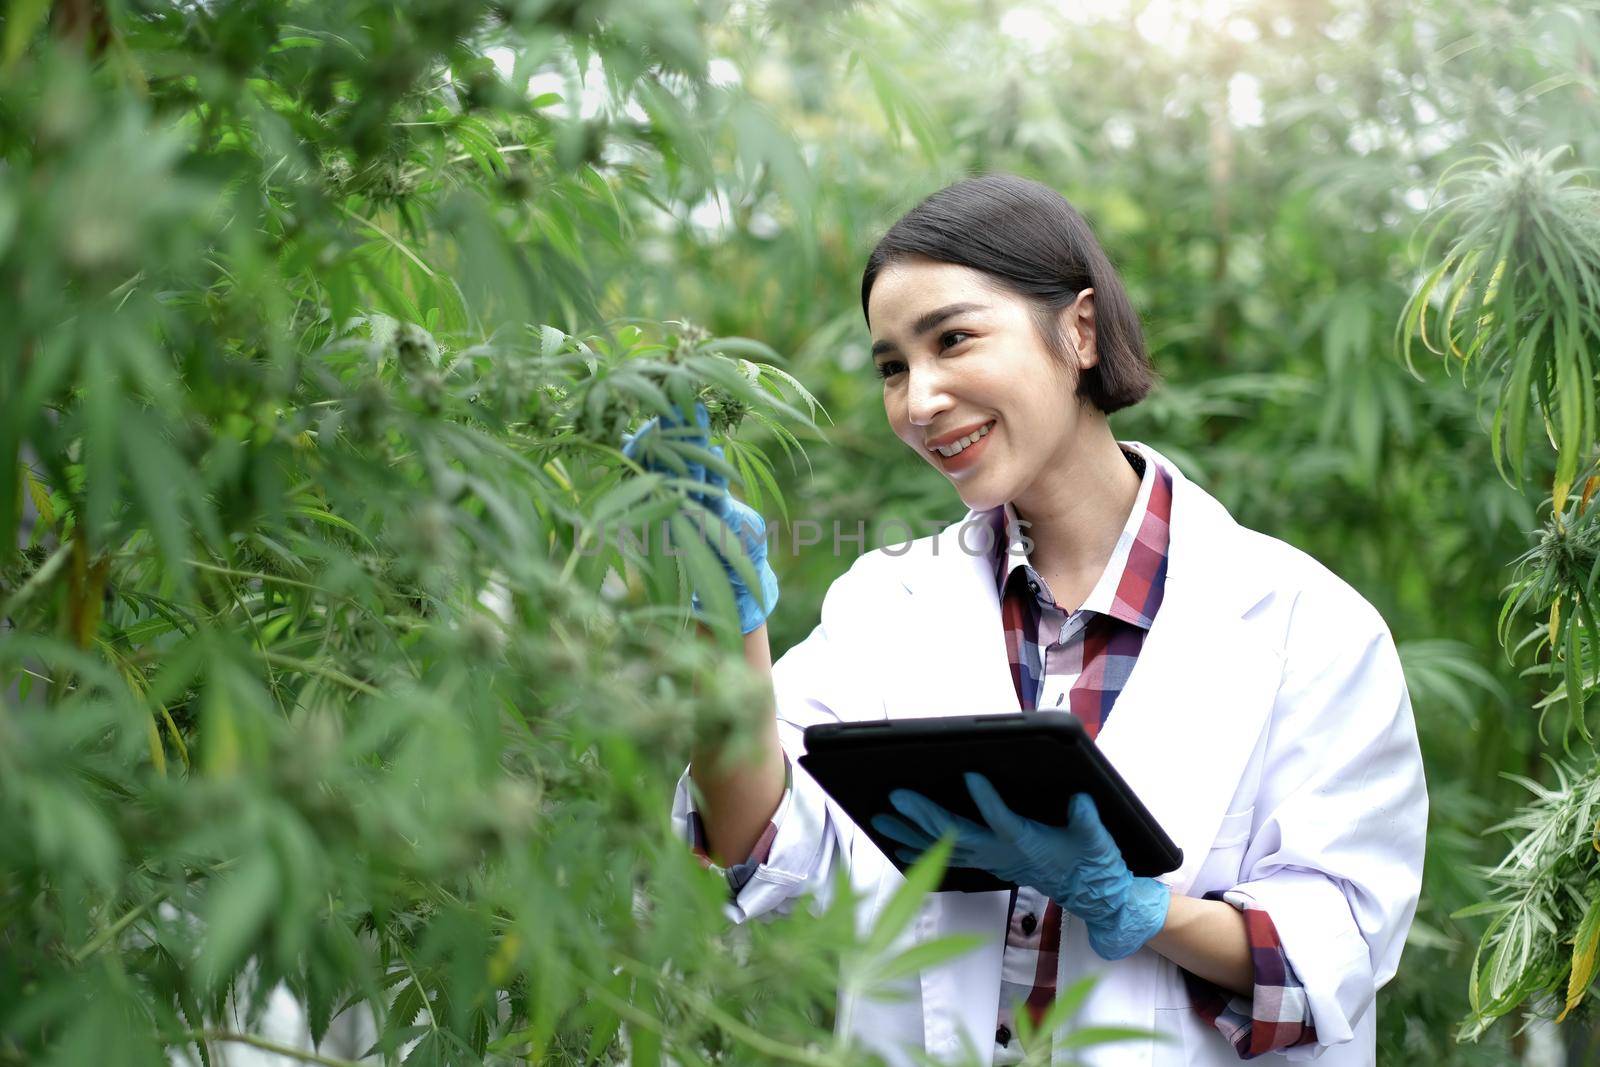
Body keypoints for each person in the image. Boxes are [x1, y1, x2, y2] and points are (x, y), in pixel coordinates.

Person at [624, 174, 1427, 1067]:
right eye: (893, 365)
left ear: (1078, 331)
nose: (919, 400)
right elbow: (753, 845)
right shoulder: (888, 606)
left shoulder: (1306, 626)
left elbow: (1342, 941)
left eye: (953, 339)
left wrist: (1138, 906)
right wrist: (721, 620)